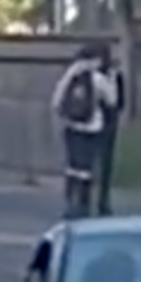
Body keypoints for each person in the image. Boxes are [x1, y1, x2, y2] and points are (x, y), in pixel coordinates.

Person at [52, 44, 115, 219]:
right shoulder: (98, 79)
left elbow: (56, 101)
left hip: (71, 126)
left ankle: (70, 202)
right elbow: (112, 100)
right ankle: (83, 204)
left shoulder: (70, 75)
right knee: (86, 167)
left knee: (72, 165)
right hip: (92, 127)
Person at [94, 43, 126, 216]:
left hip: (109, 120)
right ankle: (90, 200)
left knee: (106, 164)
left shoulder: (116, 76)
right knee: (93, 164)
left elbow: (120, 101)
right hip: (96, 120)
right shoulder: (94, 76)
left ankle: (103, 201)